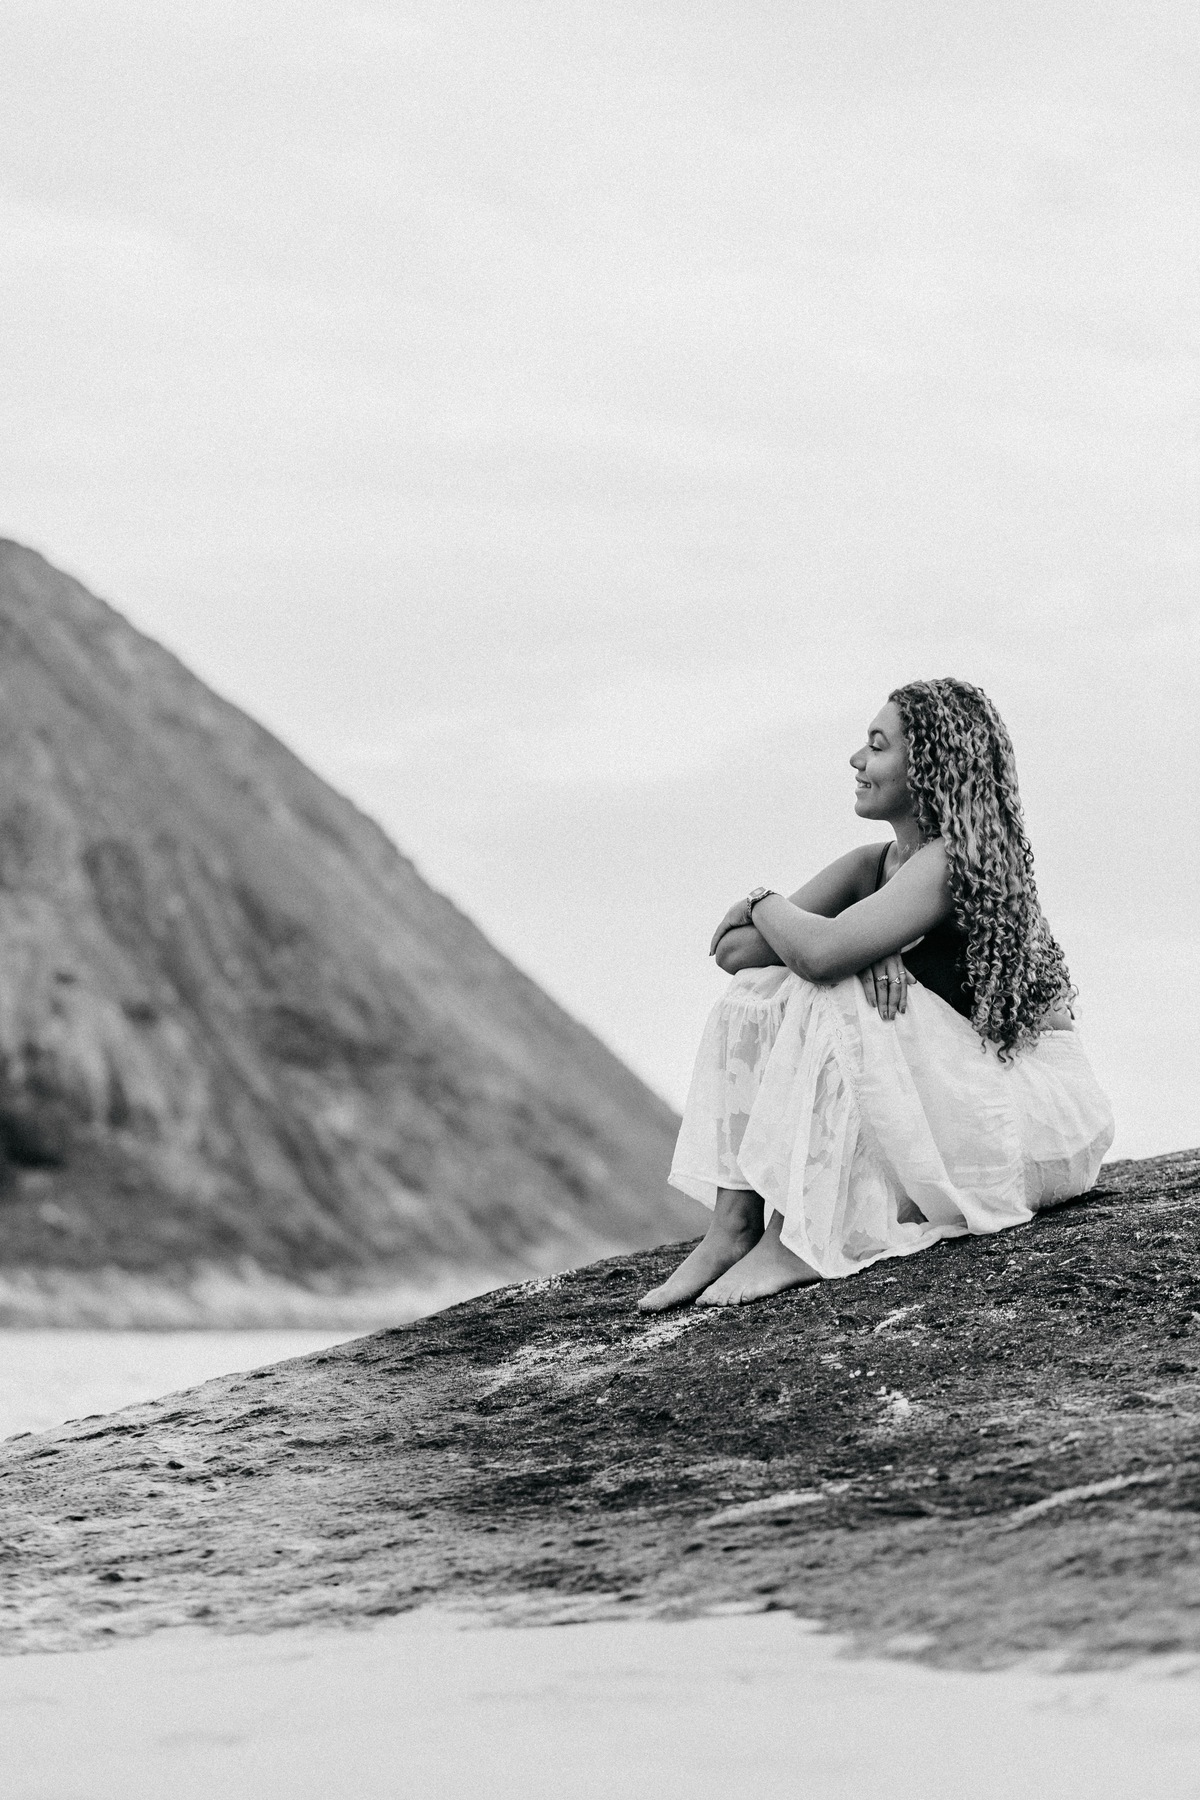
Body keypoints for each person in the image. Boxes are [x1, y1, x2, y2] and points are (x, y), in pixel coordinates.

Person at [639, 678, 1114, 1312]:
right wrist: (828, 931)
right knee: (761, 988)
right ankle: (735, 1225)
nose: (857, 760)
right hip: (959, 1098)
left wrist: (772, 907)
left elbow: (819, 955)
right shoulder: (874, 864)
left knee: (831, 989)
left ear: (930, 766)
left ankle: (797, 1241)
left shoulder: (953, 859)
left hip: (1033, 1113)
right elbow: (735, 955)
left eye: (877, 745)